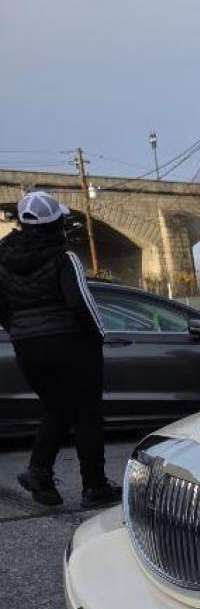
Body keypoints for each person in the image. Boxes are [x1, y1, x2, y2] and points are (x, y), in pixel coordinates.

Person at [0, 191, 120, 508]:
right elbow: (80, 302)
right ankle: (94, 487)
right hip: (70, 343)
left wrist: (21, 332)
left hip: (27, 346)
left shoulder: (3, 261)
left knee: (56, 408)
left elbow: (2, 308)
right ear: (56, 223)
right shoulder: (64, 258)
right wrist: (98, 337)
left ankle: (40, 471)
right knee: (87, 415)